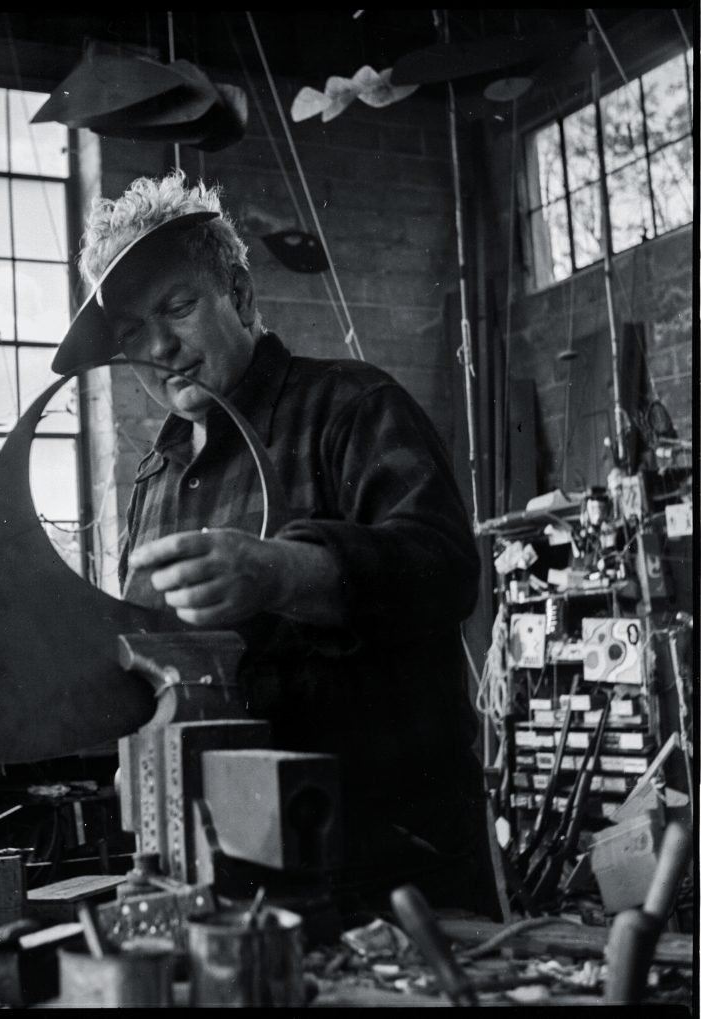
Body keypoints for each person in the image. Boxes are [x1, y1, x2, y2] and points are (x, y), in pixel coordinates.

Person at [52, 170, 500, 920]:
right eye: (133, 333)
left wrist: (285, 571)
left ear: (241, 293)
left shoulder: (353, 408)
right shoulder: (156, 475)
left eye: (178, 306)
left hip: (387, 876)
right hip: (229, 878)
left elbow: (447, 570)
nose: (161, 346)